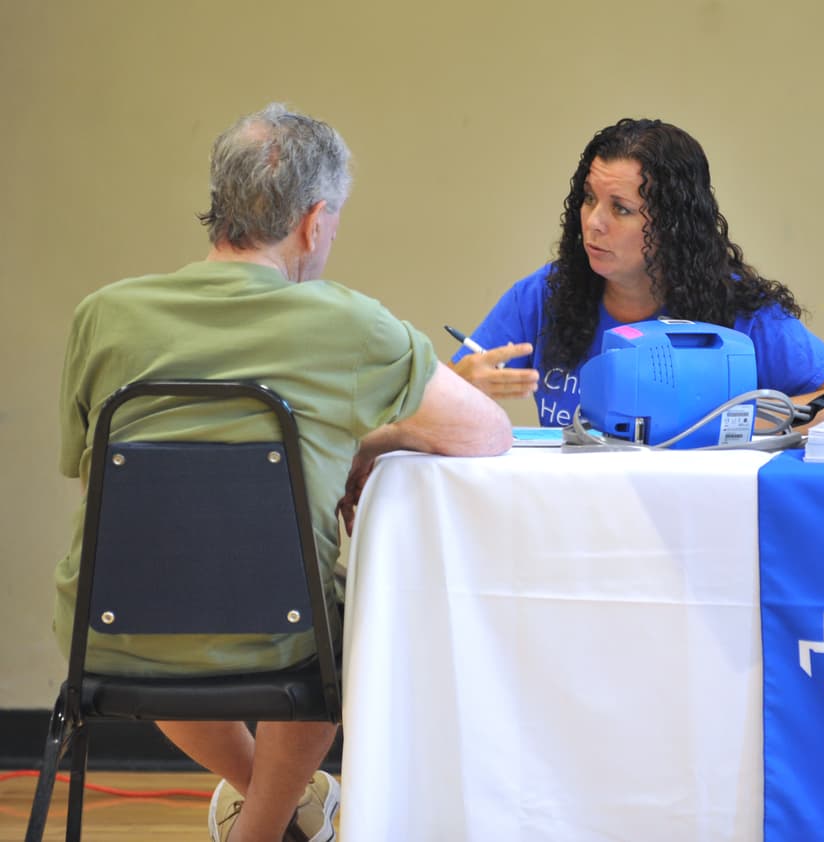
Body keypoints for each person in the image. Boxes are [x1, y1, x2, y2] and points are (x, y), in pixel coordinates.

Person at [55, 103, 511, 842]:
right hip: (285, 639)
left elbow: (98, 487)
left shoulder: (101, 315)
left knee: (160, 586)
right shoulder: (351, 324)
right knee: (342, 623)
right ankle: (262, 831)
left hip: (112, 631)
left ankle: (269, 816)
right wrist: (375, 437)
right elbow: (487, 432)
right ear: (314, 221)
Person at [448, 117, 824, 430]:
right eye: (589, 199)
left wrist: (727, 423)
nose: (593, 222)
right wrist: (460, 385)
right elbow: (437, 398)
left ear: (673, 225)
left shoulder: (738, 308)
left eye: (621, 209)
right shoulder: (543, 295)